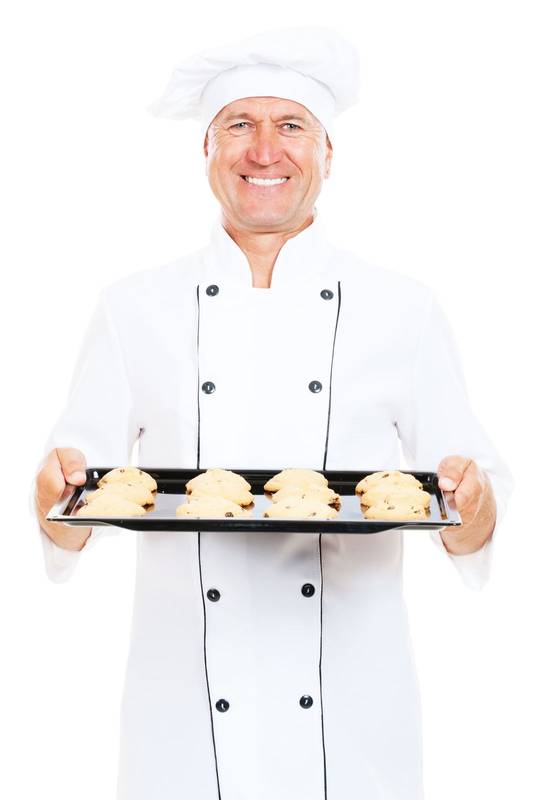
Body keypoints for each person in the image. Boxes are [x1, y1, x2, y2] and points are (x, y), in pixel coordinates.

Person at [33, 27, 513, 800]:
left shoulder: (402, 308)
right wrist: (51, 495)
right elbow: (68, 510)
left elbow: (472, 511)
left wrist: (474, 500)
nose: (263, 150)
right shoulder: (132, 308)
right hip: (185, 712)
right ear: (206, 149)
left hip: (349, 714)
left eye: (290, 125)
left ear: (327, 152)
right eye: (238, 125)